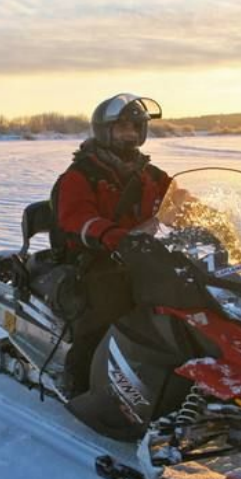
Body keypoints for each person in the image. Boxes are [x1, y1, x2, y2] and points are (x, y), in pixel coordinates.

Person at [49, 93, 171, 396]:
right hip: (96, 258)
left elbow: (179, 199)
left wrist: (212, 218)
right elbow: (75, 217)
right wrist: (111, 235)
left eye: (135, 127)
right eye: (122, 128)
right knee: (109, 309)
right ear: (104, 131)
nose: (130, 134)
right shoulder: (82, 174)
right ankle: (80, 381)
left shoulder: (150, 174)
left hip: (142, 255)